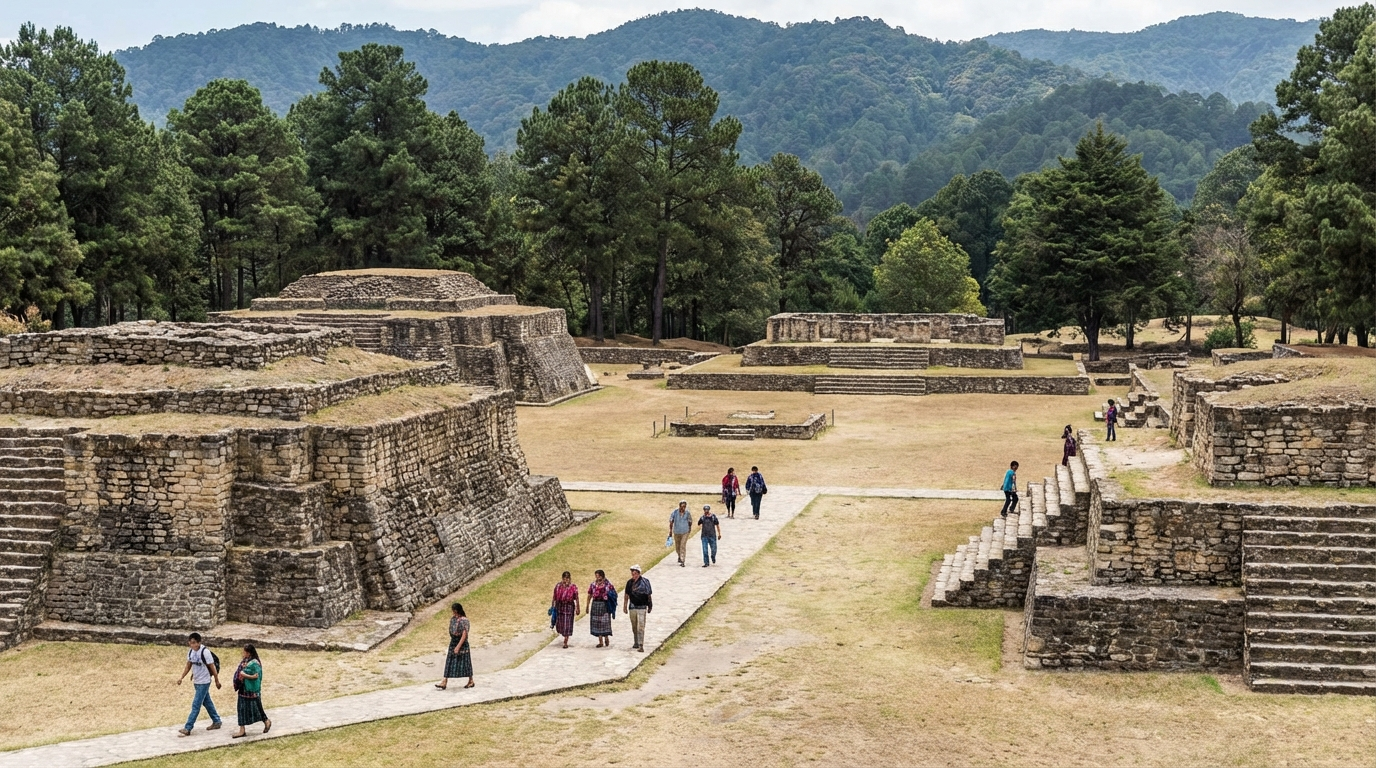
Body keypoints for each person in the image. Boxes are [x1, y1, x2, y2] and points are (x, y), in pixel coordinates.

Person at [176, 632, 223, 736]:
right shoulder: (191, 652)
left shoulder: (205, 652)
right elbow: (188, 665)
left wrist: (217, 680)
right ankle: (216, 720)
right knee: (207, 702)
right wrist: (182, 677)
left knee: (196, 705)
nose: (192, 645)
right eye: (190, 643)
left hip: (204, 681)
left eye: (194, 643)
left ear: (199, 642)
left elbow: (212, 667)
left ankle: (188, 727)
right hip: (196, 681)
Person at [230, 645, 271, 737]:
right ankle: (244, 728)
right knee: (247, 708)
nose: (242, 653)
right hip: (247, 690)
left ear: (248, 653)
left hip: (249, 690)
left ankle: (264, 721)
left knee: (248, 708)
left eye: (244, 652)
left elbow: (254, 676)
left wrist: (243, 674)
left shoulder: (253, 663)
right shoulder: (248, 661)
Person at [436, 603, 474, 689]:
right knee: (449, 661)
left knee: (466, 662)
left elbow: (464, 634)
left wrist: (458, 646)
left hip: (462, 643)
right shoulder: (453, 619)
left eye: (454, 611)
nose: (453, 612)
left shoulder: (464, 620)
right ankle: (444, 681)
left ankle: (471, 680)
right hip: (453, 641)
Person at [623, 565, 653, 652]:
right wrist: (625, 606)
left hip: (642, 606)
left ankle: (641, 644)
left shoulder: (645, 582)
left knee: (641, 626)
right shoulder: (629, 583)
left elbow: (649, 594)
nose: (634, 575)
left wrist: (650, 605)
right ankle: (636, 641)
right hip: (632, 607)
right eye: (632, 573)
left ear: (639, 573)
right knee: (634, 626)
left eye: (635, 573)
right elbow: (626, 595)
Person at [586, 570, 615, 647]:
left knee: (604, 622)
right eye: (596, 576)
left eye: (598, 576)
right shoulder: (593, 584)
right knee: (597, 622)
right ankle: (600, 641)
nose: (597, 577)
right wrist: (587, 605)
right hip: (595, 605)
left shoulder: (607, 584)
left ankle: (606, 637)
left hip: (604, 605)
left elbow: (613, 594)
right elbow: (589, 595)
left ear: (602, 576)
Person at [551, 571, 580, 647]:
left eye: (567, 579)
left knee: (568, 624)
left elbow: (576, 598)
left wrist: (578, 607)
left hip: (569, 607)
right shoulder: (558, 586)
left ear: (570, 579)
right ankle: (564, 635)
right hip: (560, 607)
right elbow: (554, 597)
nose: (566, 580)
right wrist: (552, 606)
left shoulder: (573, 587)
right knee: (560, 624)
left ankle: (565, 641)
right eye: (564, 579)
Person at [669, 501, 694, 566]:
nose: (683, 508)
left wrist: (689, 529)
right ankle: (679, 556)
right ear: (679, 506)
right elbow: (671, 521)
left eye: (684, 506)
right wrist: (670, 531)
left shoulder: (687, 513)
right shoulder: (675, 512)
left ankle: (682, 560)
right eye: (682, 506)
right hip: (677, 531)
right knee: (677, 547)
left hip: (685, 531)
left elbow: (690, 521)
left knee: (682, 545)